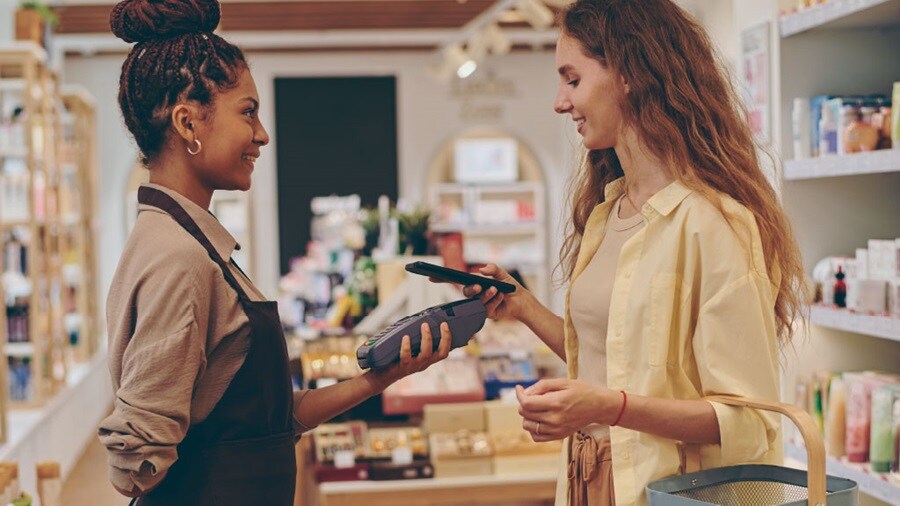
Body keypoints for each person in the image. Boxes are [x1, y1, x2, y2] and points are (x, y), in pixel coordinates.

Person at [98, 1, 452, 504]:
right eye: (248, 112)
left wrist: (381, 378)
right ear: (188, 123)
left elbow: (268, 422)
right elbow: (134, 463)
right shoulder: (179, 257)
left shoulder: (188, 242)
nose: (261, 134)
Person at [464, 1, 805, 505]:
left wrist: (609, 408)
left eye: (573, 79)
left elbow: (748, 421)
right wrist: (524, 307)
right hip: (586, 479)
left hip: (664, 490)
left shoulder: (714, 224)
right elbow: (614, 362)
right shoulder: (607, 215)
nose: (560, 102)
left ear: (627, 74)